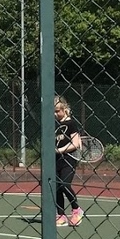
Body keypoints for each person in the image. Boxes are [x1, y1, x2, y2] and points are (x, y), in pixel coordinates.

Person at [53, 96, 83, 227]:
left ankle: (76, 210)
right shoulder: (56, 126)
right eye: (54, 112)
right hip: (56, 160)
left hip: (69, 159)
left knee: (65, 185)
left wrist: (60, 150)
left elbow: (75, 143)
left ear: (64, 109)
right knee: (57, 187)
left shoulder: (71, 124)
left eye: (58, 111)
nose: (56, 114)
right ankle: (61, 215)